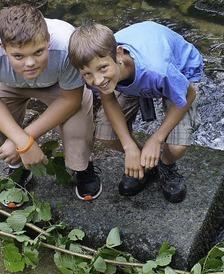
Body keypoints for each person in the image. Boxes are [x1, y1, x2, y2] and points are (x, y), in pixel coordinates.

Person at [0, 4, 101, 205]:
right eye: (18, 56)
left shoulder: (67, 44)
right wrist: (22, 143)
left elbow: (70, 100)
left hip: (60, 87)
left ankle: (81, 167)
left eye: (38, 52)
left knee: (77, 128)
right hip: (11, 85)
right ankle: (16, 164)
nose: (30, 63)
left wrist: (25, 140)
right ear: (4, 48)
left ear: (48, 41)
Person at [68, 21, 203, 203]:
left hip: (178, 74)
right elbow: (108, 99)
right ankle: (146, 162)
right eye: (87, 74)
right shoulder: (100, 70)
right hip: (125, 79)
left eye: (102, 68)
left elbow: (189, 94)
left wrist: (156, 140)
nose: (97, 80)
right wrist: (129, 147)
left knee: (176, 147)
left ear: (119, 53)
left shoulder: (158, 69)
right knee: (107, 135)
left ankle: (166, 164)